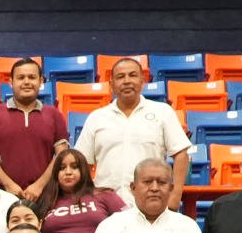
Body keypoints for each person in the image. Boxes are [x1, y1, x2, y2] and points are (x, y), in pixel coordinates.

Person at [73, 58, 191, 210]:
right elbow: (83, 163)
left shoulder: (162, 112)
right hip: (105, 206)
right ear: (111, 85)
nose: (127, 81)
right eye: (120, 77)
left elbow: (181, 153)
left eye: (132, 75)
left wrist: (175, 195)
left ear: (142, 81)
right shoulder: (97, 118)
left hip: (150, 204)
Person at [0, 58, 68, 204]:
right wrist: (8, 185)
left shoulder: (54, 115)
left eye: (32, 77)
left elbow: (62, 155)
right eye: (21, 78)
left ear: (41, 81)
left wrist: (39, 186)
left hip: (45, 198)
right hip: (0, 197)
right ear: (11, 82)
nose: (26, 82)